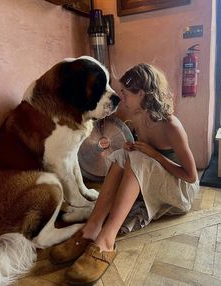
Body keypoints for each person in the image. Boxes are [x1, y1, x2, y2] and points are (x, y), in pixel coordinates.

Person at [49, 63, 199, 285]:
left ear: (141, 94)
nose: (122, 98)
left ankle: (106, 242)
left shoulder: (171, 125)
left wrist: (153, 155)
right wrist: (135, 148)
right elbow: (143, 157)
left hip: (181, 191)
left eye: (125, 93)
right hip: (159, 179)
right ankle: (91, 229)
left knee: (137, 157)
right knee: (122, 153)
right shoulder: (139, 118)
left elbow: (191, 177)